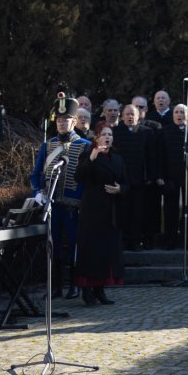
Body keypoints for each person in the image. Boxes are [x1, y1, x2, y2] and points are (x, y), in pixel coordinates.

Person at [30, 96, 89, 299]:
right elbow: (35, 175)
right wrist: (38, 193)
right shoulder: (48, 145)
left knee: (74, 245)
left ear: (74, 122)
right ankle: (55, 287)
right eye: (60, 120)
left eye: (66, 120)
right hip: (52, 205)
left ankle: (74, 285)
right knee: (52, 245)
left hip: (74, 207)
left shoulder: (85, 145)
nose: (62, 123)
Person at [74, 124, 126, 307]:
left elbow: (126, 182)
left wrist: (120, 189)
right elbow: (79, 177)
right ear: (96, 137)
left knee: (107, 251)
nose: (107, 137)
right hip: (92, 210)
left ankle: (100, 289)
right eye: (104, 134)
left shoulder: (117, 158)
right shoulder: (88, 154)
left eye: (110, 134)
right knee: (91, 250)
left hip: (111, 211)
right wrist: (91, 158)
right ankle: (87, 289)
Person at [112, 103, 159, 251]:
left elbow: (152, 155)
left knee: (138, 212)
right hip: (122, 180)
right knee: (123, 212)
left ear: (138, 116)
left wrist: (151, 175)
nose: (130, 117)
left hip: (140, 180)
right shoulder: (116, 132)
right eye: (127, 114)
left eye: (133, 114)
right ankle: (123, 241)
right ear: (122, 116)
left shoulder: (147, 132)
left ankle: (136, 241)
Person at [159, 104, 188, 250]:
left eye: (182, 112)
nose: (179, 115)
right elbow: (159, 155)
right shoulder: (164, 132)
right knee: (170, 210)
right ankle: (170, 241)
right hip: (170, 176)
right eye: (176, 112)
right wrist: (160, 175)